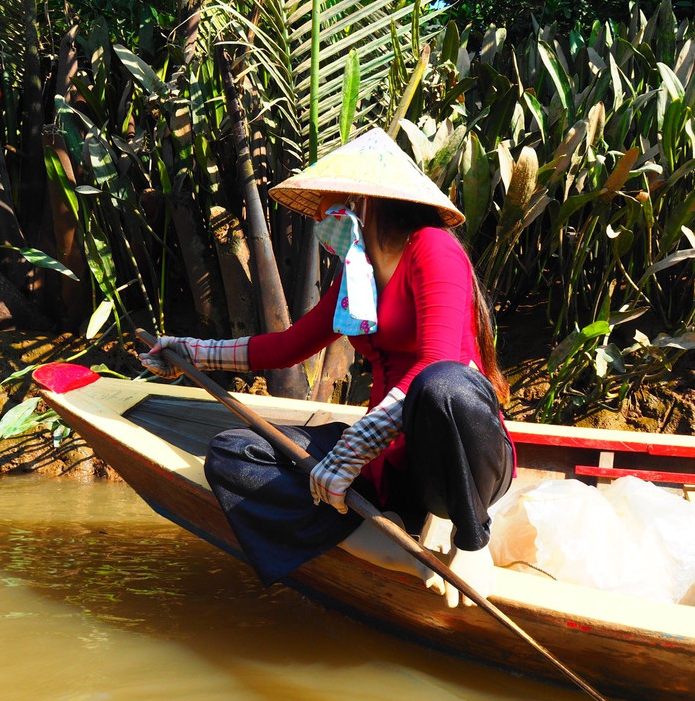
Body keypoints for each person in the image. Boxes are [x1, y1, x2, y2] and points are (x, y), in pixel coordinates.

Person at [140, 127, 514, 607]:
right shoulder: (356, 277)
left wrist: (355, 445)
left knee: (443, 385)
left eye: (331, 199)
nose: (322, 213)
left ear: (363, 201)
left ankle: (471, 540)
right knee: (234, 455)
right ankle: (405, 552)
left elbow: (439, 362)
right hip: (391, 469)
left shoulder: (432, 247)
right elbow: (285, 346)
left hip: (458, 461)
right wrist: (191, 351)